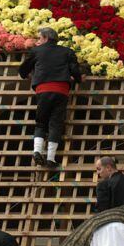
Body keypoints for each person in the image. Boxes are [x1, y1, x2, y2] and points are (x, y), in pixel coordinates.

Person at [19, 27, 82, 172]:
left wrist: (28, 76)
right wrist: (78, 79)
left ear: (46, 38)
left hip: (43, 89)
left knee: (41, 122)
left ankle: (37, 151)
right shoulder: (67, 51)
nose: (37, 42)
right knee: (56, 123)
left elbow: (23, 70)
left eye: (39, 38)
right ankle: (51, 158)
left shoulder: (37, 51)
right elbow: (75, 71)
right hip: (61, 90)